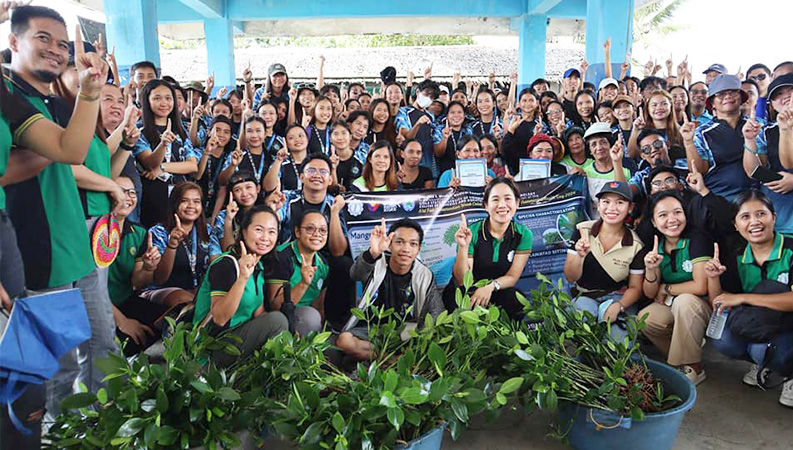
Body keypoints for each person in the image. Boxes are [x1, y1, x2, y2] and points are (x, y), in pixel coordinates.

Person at [0, 3, 110, 440]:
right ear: (13, 42)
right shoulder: (8, 96)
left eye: (62, 43)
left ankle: (101, 426)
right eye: (42, 38)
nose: (55, 50)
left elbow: (74, 150)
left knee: (102, 346)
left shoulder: (45, 103)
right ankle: (58, 435)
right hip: (35, 251)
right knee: (56, 367)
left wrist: (90, 89)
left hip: (76, 245)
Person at [704, 190, 793, 407]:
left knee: (764, 350)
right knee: (724, 340)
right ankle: (764, 363)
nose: (754, 222)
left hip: (789, 325)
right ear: (735, 224)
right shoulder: (737, 256)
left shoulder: (791, 249)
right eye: (745, 217)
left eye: (761, 214)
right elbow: (720, 304)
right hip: (762, 321)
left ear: (774, 216)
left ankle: (788, 371)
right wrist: (713, 278)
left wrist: (743, 297)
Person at [192, 205, 290, 367]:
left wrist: (287, 337)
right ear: (243, 231)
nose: (265, 237)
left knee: (280, 323)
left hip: (236, 342)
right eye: (259, 230)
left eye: (272, 232)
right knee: (277, 320)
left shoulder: (259, 267)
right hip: (211, 349)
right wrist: (243, 278)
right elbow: (219, 318)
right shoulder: (226, 264)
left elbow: (259, 314)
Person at [338, 218, 443, 360]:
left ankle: (383, 357)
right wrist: (372, 253)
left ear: (418, 249)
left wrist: (419, 341)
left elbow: (436, 313)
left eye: (412, 244)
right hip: (372, 329)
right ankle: (390, 359)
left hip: (405, 332)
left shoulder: (424, 274)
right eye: (399, 242)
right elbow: (355, 274)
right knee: (344, 341)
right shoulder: (376, 263)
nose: (406, 249)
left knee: (425, 345)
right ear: (390, 245)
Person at [640, 191, 712, 385]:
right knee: (645, 319)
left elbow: (701, 285)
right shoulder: (655, 245)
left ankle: (694, 367)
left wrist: (667, 288)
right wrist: (651, 269)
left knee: (685, 300)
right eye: (663, 215)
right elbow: (649, 293)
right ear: (654, 222)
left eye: (677, 212)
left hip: (702, 305)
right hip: (673, 304)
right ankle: (687, 354)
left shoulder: (697, 239)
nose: (672, 219)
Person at [564, 181, 645, 341]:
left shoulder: (636, 245)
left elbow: (636, 288)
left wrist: (619, 306)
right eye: (606, 202)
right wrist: (580, 256)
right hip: (585, 296)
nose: (612, 208)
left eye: (620, 203)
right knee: (581, 336)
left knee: (619, 345)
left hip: (616, 297)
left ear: (630, 208)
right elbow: (570, 277)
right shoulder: (582, 230)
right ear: (598, 205)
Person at [444, 178, 533, 319]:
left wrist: (489, 287)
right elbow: (462, 280)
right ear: (486, 205)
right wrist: (463, 246)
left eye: (508, 199)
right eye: (495, 199)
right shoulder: (472, 232)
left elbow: (512, 277)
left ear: (517, 203)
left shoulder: (523, 234)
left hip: (496, 289)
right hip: (468, 290)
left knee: (516, 300)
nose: (502, 205)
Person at [106, 176, 169, 356]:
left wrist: (149, 268)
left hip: (126, 301)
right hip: (97, 306)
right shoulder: (93, 231)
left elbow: (138, 283)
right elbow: (87, 287)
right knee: (127, 342)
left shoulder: (139, 232)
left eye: (132, 192)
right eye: (121, 191)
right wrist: (122, 321)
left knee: (168, 324)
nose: (128, 197)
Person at [134, 79, 199, 228]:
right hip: (153, 197)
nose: (164, 103)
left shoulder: (181, 132)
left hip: (180, 196)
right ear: (147, 101)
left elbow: (192, 165)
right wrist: (163, 145)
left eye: (168, 98)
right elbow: (150, 163)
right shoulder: (140, 131)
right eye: (157, 98)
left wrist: (163, 167)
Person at [688, 75, 754, 201]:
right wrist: (688, 142)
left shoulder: (757, 126)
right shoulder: (701, 132)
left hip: (754, 198)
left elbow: (765, 164)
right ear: (712, 102)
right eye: (721, 94)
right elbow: (699, 171)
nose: (728, 97)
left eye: (733, 92)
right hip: (717, 199)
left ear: (741, 97)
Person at [146, 182, 212, 307]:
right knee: (184, 299)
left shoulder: (207, 231)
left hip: (197, 291)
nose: (191, 206)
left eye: (196, 201)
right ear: (175, 204)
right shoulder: (158, 232)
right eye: (184, 201)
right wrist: (172, 244)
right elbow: (159, 278)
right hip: (162, 289)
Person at [744, 73, 793, 234]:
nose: (786, 96)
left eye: (790, 90)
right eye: (778, 94)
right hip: (779, 214)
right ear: (771, 104)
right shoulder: (768, 132)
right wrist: (750, 140)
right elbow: (753, 171)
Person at [277, 210, 330, 335]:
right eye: (310, 228)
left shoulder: (323, 264)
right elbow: (275, 306)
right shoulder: (281, 257)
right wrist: (303, 284)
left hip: (307, 317)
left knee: (314, 317)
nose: (317, 234)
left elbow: (318, 305)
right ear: (297, 232)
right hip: (281, 316)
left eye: (323, 230)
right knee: (310, 317)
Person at [212, 171, 262, 259]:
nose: (245, 194)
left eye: (249, 187)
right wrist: (228, 219)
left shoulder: (264, 213)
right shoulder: (222, 216)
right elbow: (228, 251)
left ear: (257, 188)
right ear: (233, 195)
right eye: (238, 190)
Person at [396, 79, 440, 174]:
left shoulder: (431, 116)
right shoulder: (403, 112)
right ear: (418, 92)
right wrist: (418, 124)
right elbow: (407, 138)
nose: (428, 98)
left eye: (432, 97)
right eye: (426, 93)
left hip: (429, 165)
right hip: (409, 166)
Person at [195, 116, 235, 214]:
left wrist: (214, 218)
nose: (221, 135)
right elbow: (197, 176)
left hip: (216, 207)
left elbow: (223, 188)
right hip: (195, 204)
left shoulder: (229, 157)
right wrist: (207, 152)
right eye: (217, 130)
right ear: (209, 132)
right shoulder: (198, 152)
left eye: (226, 132)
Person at [265, 124, 310, 193]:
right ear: (286, 143)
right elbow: (268, 187)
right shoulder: (282, 163)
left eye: (300, 136)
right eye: (291, 138)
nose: (297, 139)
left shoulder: (315, 162)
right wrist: (278, 160)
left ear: (307, 138)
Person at [433, 100, 472, 175]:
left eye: (459, 112)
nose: (456, 115)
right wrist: (444, 138)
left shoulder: (468, 130)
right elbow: (438, 154)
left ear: (464, 115)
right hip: (445, 173)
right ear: (447, 116)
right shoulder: (440, 130)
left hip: (466, 172)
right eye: (452, 112)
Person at [328, 121, 365, 191]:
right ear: (330, 138)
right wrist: (333, 169)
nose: (340, 137)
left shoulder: (362, 158)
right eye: (336, 134)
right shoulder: (326, 159)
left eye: (344, 133)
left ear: (350, 136)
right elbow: (330, 188)